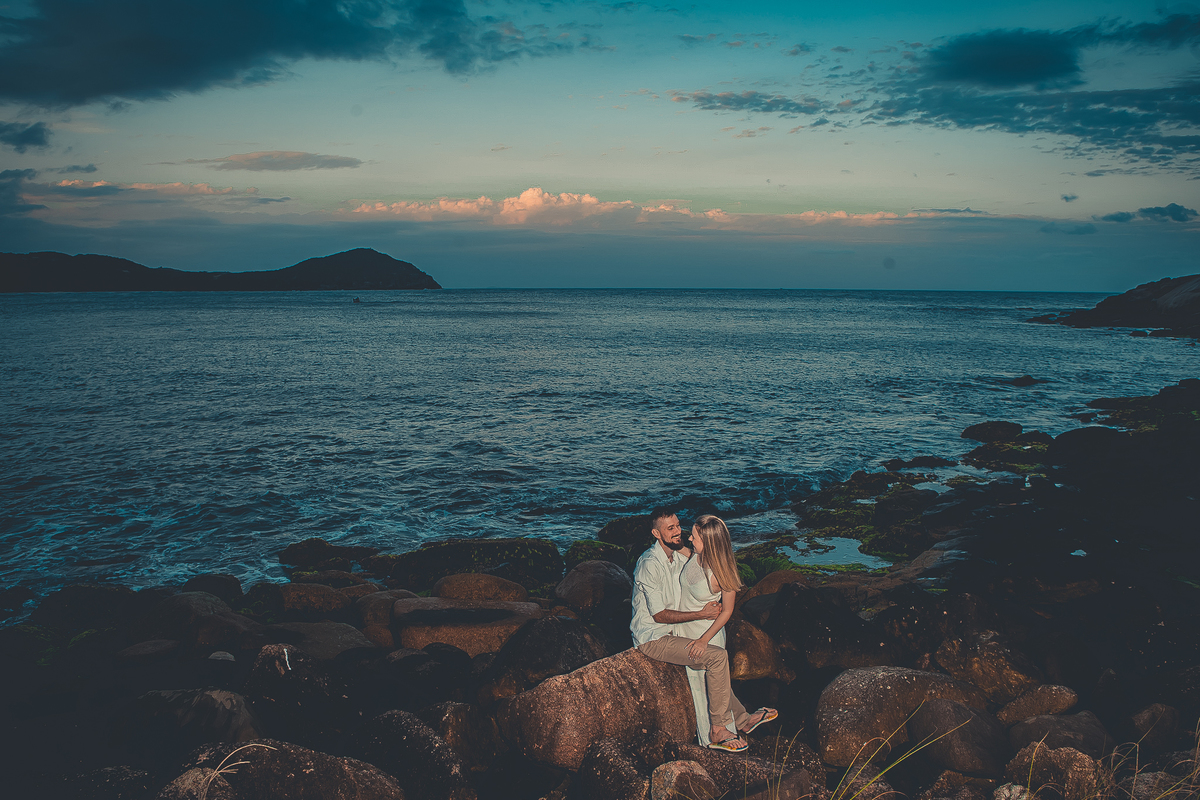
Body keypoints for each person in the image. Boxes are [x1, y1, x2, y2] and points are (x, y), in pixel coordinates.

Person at [631, 508, 778, 752]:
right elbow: (658, 615)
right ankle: (719, 728)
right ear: (656, 533)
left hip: (684, 630)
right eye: (671, 528)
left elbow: (708, 567)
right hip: (656, 635)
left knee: (715, 670)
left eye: (679, 525)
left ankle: (740, 720)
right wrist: (701, 614)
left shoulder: (680, 555)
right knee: (717, 659)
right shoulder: (650, 564)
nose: (680, 532)